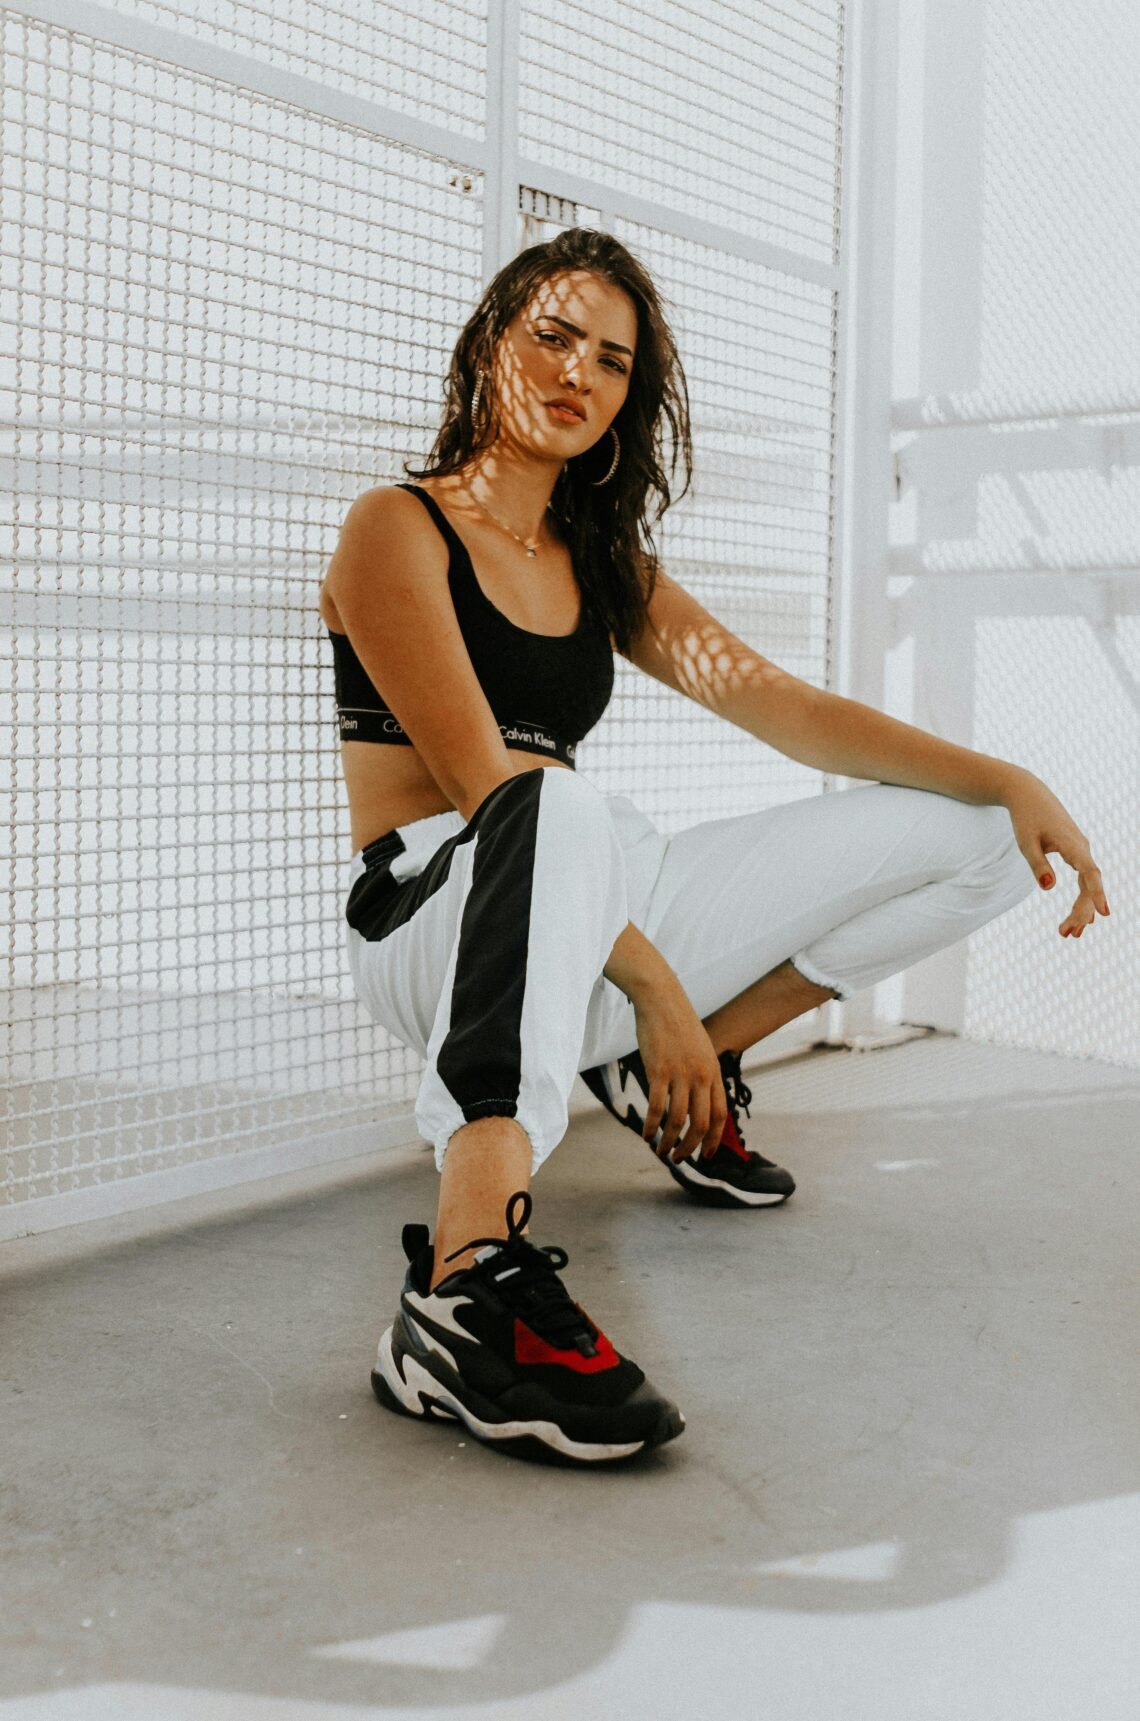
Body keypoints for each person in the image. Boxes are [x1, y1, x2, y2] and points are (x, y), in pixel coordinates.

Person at [318, 228, 1110, 1467]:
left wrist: (1010, 776)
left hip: (596, 892)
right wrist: (654, 983)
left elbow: (788, 710)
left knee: (988, 840)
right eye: (553, 335)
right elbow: (489, 790)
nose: (581, 371)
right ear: (489, 344)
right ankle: (461, 1284)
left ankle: (668, 1067)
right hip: (435, 910)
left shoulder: (604, 566)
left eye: (615, 360)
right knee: (553, 802)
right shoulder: (395, 527)